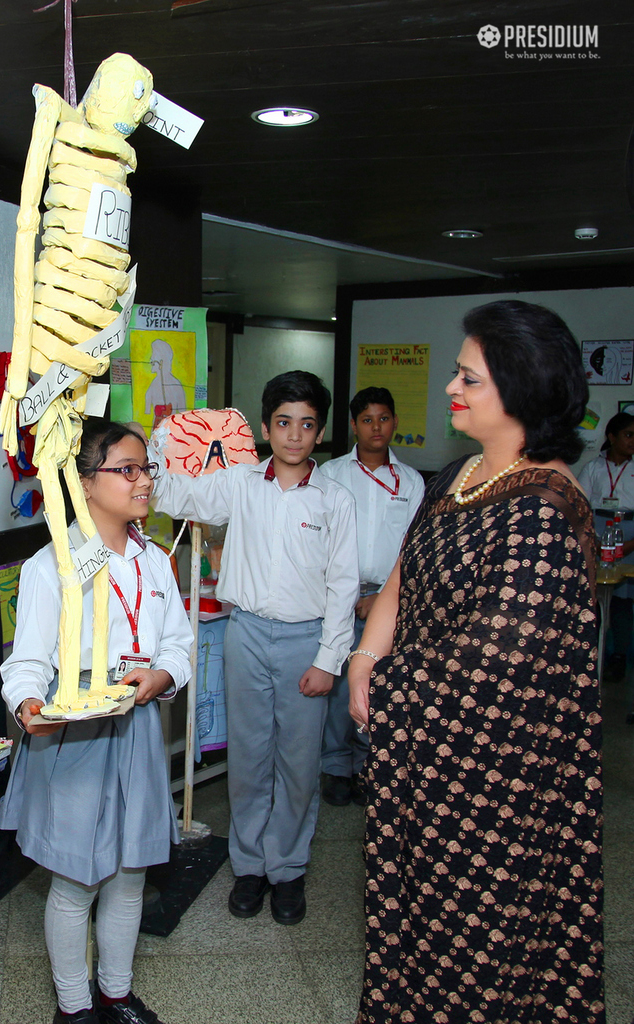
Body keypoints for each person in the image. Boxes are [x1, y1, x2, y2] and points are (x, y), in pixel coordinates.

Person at [348, 300, 604, 1024]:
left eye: (469, 379)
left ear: (521, 390)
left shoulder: (545, 509)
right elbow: (405, 569)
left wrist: (388, 684)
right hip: (430, 759)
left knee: (479, 945)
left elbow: (494, 661)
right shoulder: (462, 473)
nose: (450, 391)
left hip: (494, 788)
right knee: (416, 925)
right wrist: (365, 653)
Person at [0, 421, 192, 1024]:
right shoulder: (50, 564)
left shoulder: (156, 562)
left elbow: (179, 647)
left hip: (134, 727)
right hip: (75, 728)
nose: (144, 480)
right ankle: (75, 1006)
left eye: (147, 469)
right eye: (128, 469)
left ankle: (115, 990)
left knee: (131, 874)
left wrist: (162, 677)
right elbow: (26, 661)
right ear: (85, 484)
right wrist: (29, 704)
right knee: (76, 880)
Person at [149, 370, 359, 925]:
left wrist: (328, 659)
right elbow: (175, 491)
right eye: (283, 423)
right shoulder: (240, 481)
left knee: (297, 761)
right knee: (247, 757)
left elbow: (343, 586)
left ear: (319, 432)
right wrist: (159, 443)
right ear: (266, 427)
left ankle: (287, 868)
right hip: (246, 634)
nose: (294, 434)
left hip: (305, 642)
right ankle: (248, 866)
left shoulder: (335, 500)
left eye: (307, 425)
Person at [318, 386, 424, 806]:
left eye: (383, 418)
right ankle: (335, 767)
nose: (376, 427)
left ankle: (368, 766)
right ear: (353, 425)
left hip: (388, 601)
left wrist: (381, 596)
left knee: (380, 686)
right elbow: (320, 541)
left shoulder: (412, 482)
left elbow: (413, 546)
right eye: (367, 419)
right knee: (338, 686)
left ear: (395, 422)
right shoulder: (331, 475)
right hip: (337, 597)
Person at [579, 411, 634, 680]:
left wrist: (629, 545)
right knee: (593, 598)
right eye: (628, 435)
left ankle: (619, 658)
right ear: (611, 437)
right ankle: (590, 657)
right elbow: (580, 508)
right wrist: (594, 541)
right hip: (597, 531)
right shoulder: (593, 467)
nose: (632, 441)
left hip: (630, 531)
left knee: (623, 602)